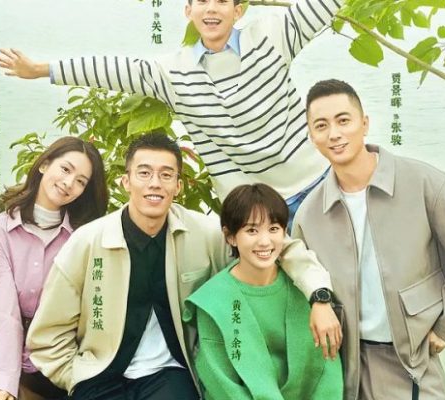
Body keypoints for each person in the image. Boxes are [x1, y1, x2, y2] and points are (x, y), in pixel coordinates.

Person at [0, 0, 445, 241]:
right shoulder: (170, 71)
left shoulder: (272, 31)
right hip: (258, 203)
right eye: (200, 0)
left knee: (439, 190)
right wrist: (39, 69)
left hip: (325, 173)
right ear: (188, 11)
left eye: (222, 0)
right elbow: (108, 68)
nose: (211, 8)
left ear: (238, 8)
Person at [26, 132, 340, 400]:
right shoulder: (87, 241)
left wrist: (319, 296)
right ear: (126, 181)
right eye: (144, 173)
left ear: (178, 185)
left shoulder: (205, 233)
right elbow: (47, 334)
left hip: (172, 373)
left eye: (166, 175)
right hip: (100, 374)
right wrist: (75, 377)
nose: (155, 183)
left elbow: (277, 246)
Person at [294, 79, 445, 399]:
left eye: (343, 120)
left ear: (364, 123)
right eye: (321, 125)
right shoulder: (309, 214)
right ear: (311, 136)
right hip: (346, 366)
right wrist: (318, 302)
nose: (334, 134)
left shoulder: (424, 182)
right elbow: (300, 273)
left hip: (413, 361)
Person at [0, 137, 109, 400]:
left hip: (66, 354)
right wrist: (1, 377)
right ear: (45, 164)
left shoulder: (85, 236)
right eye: (65, 169)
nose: (69, 183)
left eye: (81, 181)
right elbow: (5, 309)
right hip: (14, 350)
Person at [184, 183, 343, 399]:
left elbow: (327, 372)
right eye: (251, 230)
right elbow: (220, 382)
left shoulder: (305, 289)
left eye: (274, 229)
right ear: (230, 236)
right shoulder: (214, 301)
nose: (265, 241)